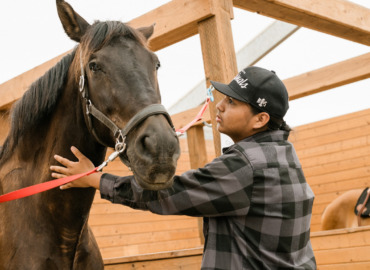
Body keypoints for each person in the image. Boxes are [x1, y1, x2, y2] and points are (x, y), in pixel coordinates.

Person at [50, 66, 317, 269]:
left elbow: (166, 194)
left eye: (233, 102)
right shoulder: (285, 155)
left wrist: (95, 180)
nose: (220, 105)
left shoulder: (247, 165)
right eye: (224, 97)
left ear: (260, 119)